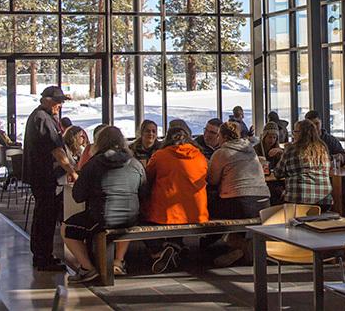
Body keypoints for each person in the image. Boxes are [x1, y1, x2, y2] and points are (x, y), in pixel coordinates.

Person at [63, 126, 147, 283]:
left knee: (67, 228)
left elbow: (78, 196)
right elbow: (144, 192)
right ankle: (118, 261)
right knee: (127, 218)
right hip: (131, 217)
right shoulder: (135, 164)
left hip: (102, 217)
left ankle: (88, 268)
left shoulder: (93, 164)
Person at [22, 86, 77, 272]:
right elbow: (55, 149)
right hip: (45, 178)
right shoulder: (42, 119)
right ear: (45, 100)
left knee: (44, 216)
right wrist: (70, 169)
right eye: (56, 101)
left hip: (44, 177)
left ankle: (42, 254)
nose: (59, 105)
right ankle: (42, 257)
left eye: (61, 102)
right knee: (45, 217)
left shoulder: (41, 117)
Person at [142, 126, 209, 273]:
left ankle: (158, 251)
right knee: (181, 215)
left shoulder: (160, 156)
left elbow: (146, 179)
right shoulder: (200, 156)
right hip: (197, 212)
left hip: (167, 213)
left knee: (142, 218)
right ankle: (176, 246)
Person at [207, 121, 270, 266]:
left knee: (209, 207)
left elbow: (212, 180)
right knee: (235, 210)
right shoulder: (251, 150)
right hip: (264, 201)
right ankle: (238, 248)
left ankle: (241, 246)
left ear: (221, 136)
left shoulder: (221, 153)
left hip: (240, 203)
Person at [274, 119, 332, 209]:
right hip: (324, 200)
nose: (293, 135)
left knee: (276, 200)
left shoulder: (291, 149)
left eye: (295, 132)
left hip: (299, 199)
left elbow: (278, 173)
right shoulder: (322, 149)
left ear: (301, 133)